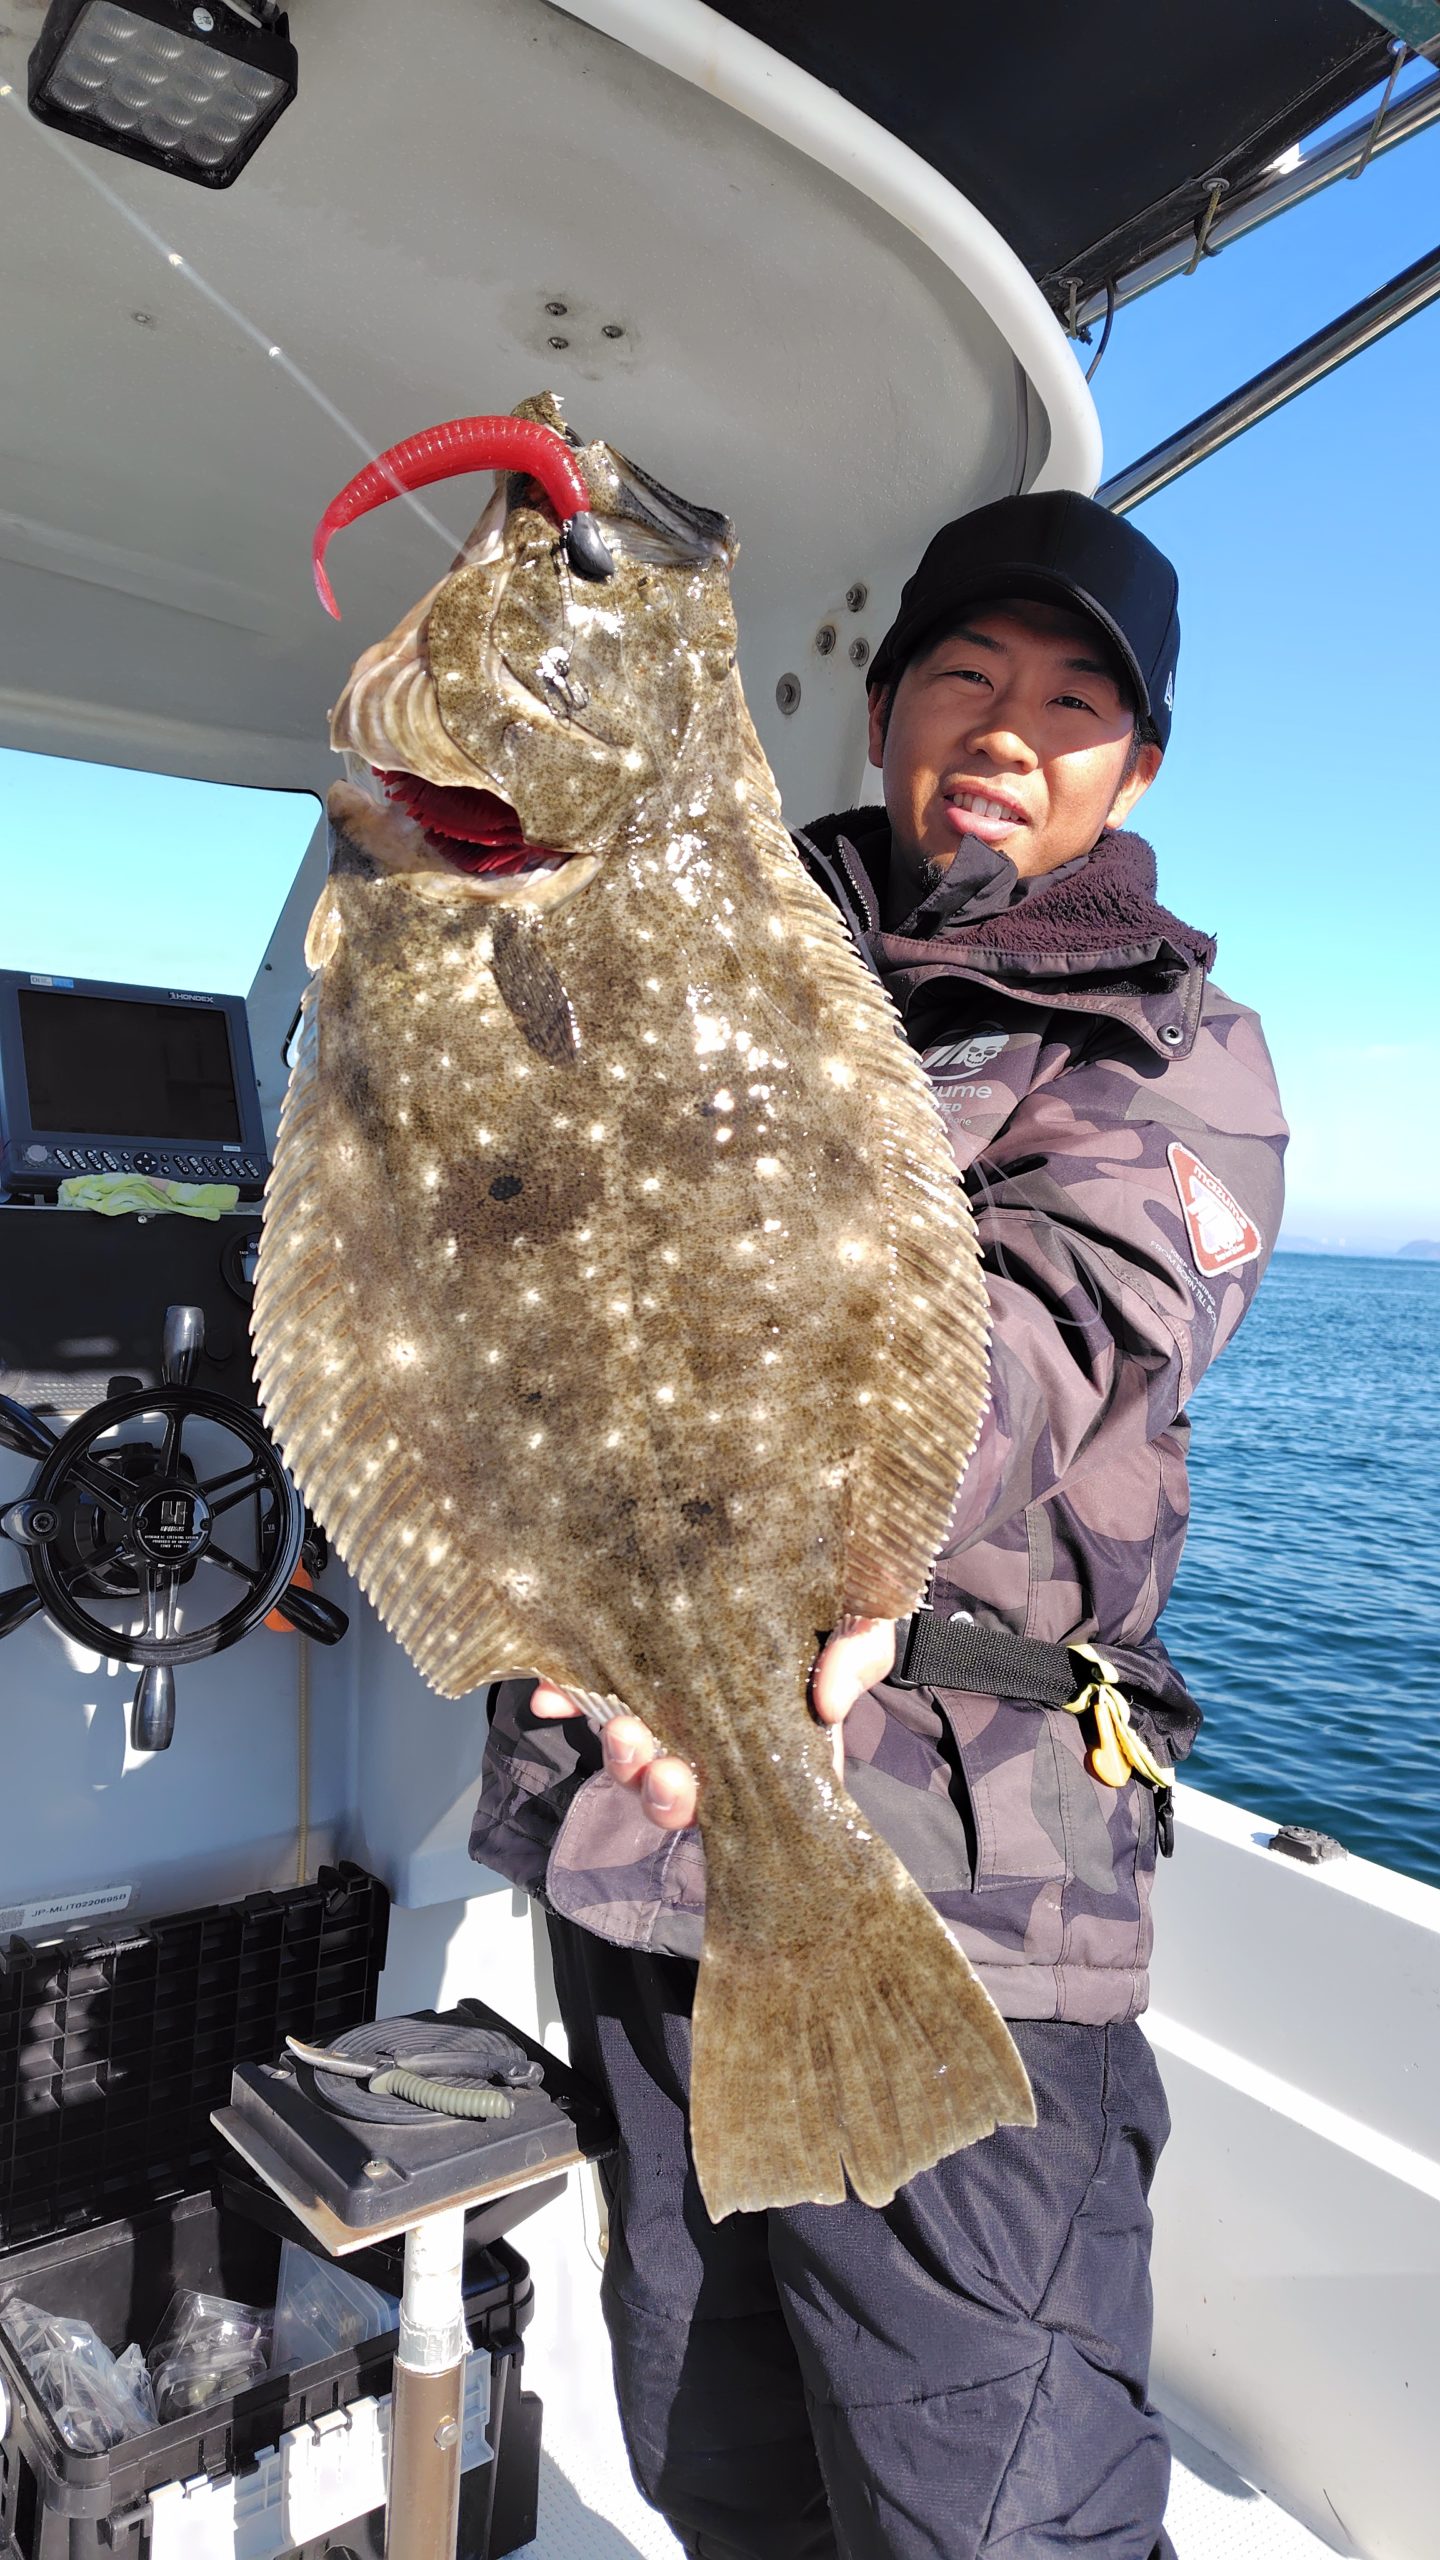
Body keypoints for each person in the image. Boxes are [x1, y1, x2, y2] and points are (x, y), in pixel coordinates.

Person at [470, 492, 1287, 2559]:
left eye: (1074, 697)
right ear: (885, 708)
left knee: (985, 2511)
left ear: (1136, 766)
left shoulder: (1173, 1050)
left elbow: (1060, 1326)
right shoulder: (691, 951)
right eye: (968, 675)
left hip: (956, 1898)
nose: (1012, 726)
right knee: (708, 2443)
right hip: (642, 1852)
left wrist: (835, 1523)